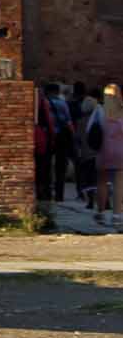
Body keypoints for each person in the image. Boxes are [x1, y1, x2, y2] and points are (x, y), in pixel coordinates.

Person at [46, 83, 77, 204]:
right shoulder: (62, 103)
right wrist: (73, 137)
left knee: (46, 165)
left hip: (48, 136)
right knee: (60, 167)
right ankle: (59, 195)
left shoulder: (44, 102)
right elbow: (68, 121)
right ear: (57, 91)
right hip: (61, 137)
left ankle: (46, 193)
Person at [76, 82, 103, 208]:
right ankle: (105, 202)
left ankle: (91, 201)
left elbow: (77, 138)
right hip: (98, 152)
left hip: (85, 154)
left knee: (88, 179)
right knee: (100, 178)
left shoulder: (80, 122)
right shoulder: (99, 119)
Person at [101, 85, 123, 229]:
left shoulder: (99, 110)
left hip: (104, 150)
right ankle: (116, 216)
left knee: (102, 182)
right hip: (120, 150)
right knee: (119, 184)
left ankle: (101, 212)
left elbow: (91, 129)